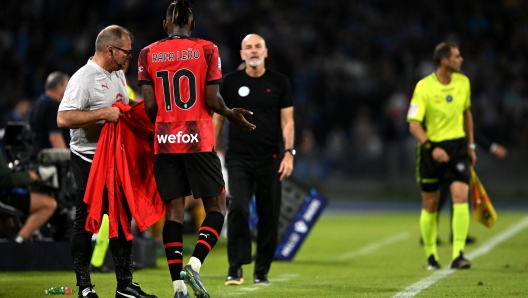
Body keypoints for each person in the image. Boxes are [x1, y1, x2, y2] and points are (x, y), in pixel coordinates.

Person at [138, 1, 255, 297]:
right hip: (198, 140)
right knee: (216, 207)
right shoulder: (206, 49)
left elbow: (150, 106)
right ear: (191, 25)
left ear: (166, 25)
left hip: (165, 142)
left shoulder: (147, 53)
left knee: (174, 212)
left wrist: (166, 124)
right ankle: (194, 265)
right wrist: (230, 114)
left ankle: (178, 287)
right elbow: (214, 100)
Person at [57, 25, 156, 298]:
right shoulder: (83, 78)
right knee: (85, 221)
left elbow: (119, 112)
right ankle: (84, 287)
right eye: (126, 52)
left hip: (115, 160)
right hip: (88, 159)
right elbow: (63, 118)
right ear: (110, 49)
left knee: (121, 220)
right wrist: (103, 114)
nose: (129, 57)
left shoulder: (117, 75)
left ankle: (124, 285)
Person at [213, 33, 295, 285]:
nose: (253, 50)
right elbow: (218, 117)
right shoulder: (230, 81)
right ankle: (235, 267)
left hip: (270, 158)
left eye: (258, 46)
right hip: (238, 158)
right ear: (241, 54)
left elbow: (287, 121)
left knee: (268, 214)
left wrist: (289, 154)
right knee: (237, 207)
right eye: (248, 47)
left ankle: (262, 270)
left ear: (266, 51)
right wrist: (210, 149)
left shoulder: (279, 82)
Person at [407, 42, 475, 270]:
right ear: (444, 61)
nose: (461, 59)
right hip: (431, 148)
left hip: (457, 148)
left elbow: (467, 114)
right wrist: (431, 147)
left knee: (460, 196)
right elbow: (414, 124)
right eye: (457, 56)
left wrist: (471, 146)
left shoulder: (463, 82)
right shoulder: (424, 87)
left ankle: (458, 255)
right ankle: (431, 257)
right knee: (430, 204)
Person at [0, 141, 57, 243]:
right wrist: (28, 176)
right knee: (49, 204)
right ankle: (19, 240)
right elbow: (5, 179)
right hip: (3, 197)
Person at [28, 72, 70, 158]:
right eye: (68, 86)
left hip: (36, 157)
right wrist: (67, 161)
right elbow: (55, 137)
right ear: (59, 87)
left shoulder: (37, 103)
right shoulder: (52, 107)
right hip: (49, 163)